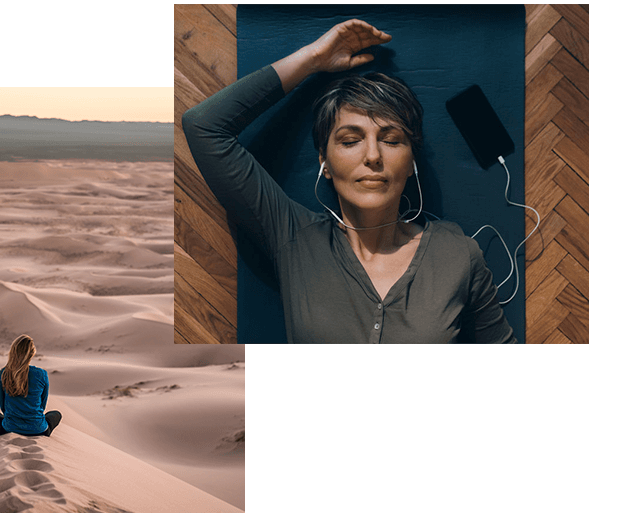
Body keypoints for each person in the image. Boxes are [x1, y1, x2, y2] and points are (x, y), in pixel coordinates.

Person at [183, 19, 516, 343]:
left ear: (412, 159)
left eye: (391, 139)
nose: (372, 156)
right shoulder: (295, 239)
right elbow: (203, 127)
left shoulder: (457, 254)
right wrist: (312, 59)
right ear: (324, 163)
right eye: (350, 140)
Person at [0, 335, 63, 437]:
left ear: (12, 352)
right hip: (38, 429)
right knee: (56, 414)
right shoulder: (42, 374)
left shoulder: (4, 373)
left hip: (10, 428)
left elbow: (3, 406)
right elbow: (42, 405)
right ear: (32, 353)